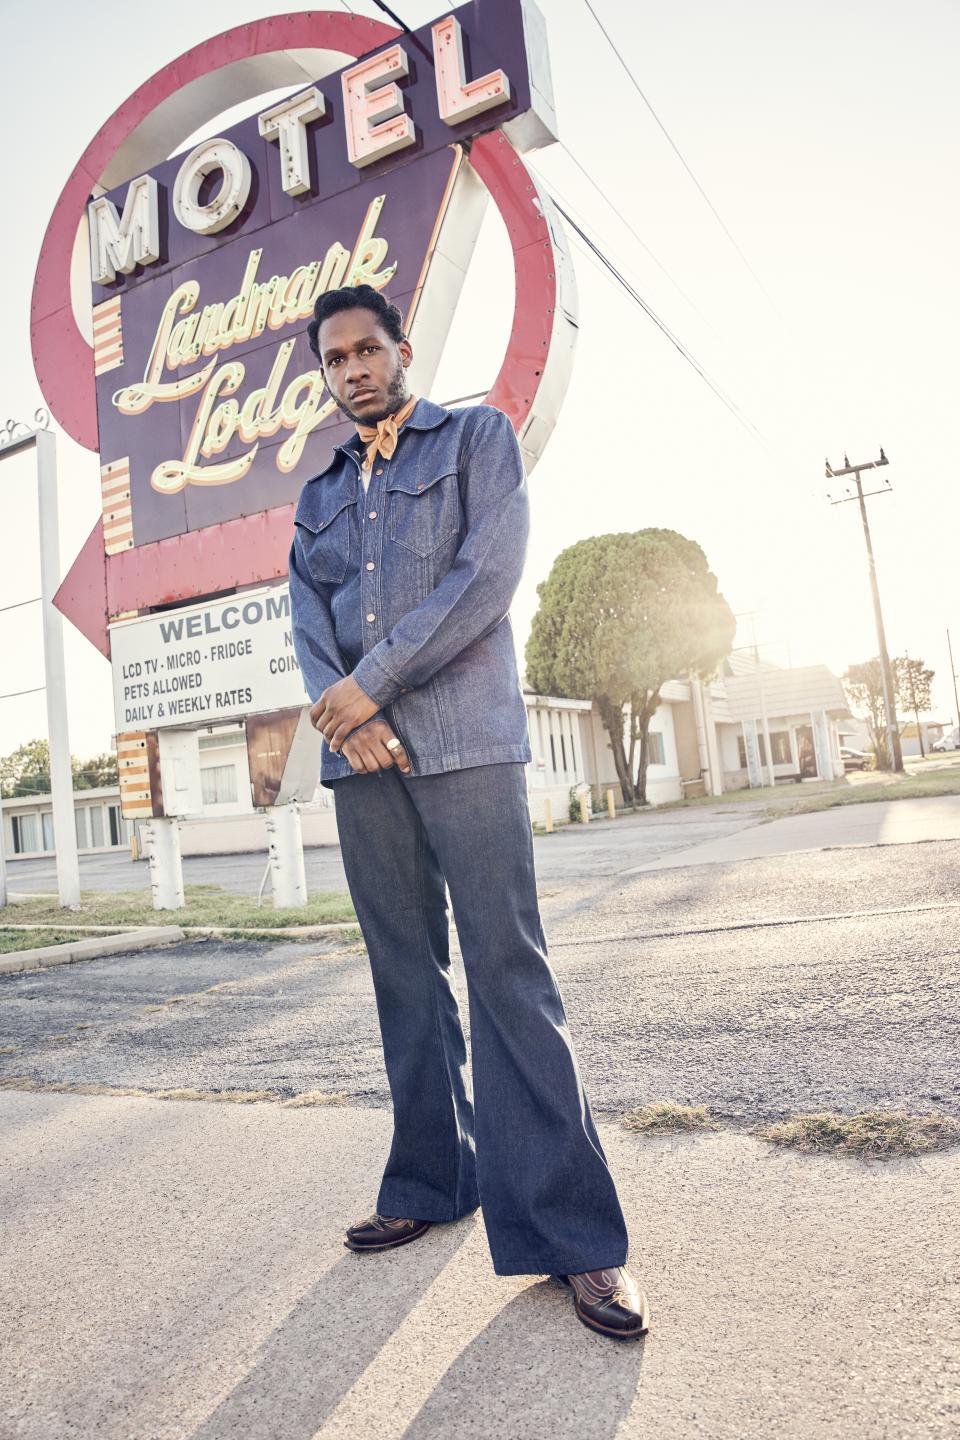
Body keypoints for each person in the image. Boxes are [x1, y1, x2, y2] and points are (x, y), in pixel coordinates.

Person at [288, 283, 649, 1341]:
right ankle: (432, 1180)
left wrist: (377, 684)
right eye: (336, 358)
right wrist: (346, 719)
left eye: (367, 348)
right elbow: (307, 618)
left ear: (402, 348)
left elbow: (485, 577)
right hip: (363, 765)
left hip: (468, 745)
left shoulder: (478, 438)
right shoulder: (316, 494)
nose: (354, 368)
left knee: (507, 969)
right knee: (404, 973)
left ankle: (578, 1239)